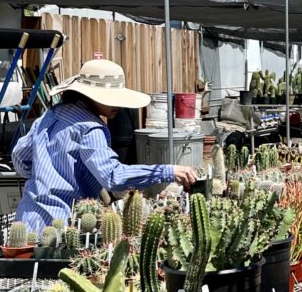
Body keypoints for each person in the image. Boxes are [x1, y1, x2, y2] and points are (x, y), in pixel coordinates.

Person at [12, 58, 196, 230]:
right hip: (63, 225)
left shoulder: (51, 114)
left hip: (27, 218)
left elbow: (20, 158)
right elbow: (113, 176)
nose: (119, 105)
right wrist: (168, 171)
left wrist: (44, 177)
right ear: (89, 95)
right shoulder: (90, 128)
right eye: (110, 98)